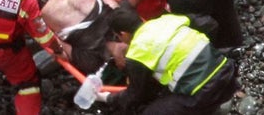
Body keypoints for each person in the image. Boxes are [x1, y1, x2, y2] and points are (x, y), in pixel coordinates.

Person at [96, 6, 240, 114]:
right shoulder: (168, 20)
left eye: (118, 37)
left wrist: (108, 98)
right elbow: (209, 24)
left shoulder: (137, 53)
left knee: (150, 112)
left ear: (123, 34)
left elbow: (135, 94)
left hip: (204, 92)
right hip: (226, 69)